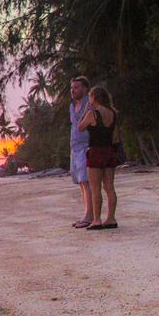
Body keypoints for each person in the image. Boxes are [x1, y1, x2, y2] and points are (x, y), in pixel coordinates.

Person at [77, 86, 119, 230]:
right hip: (109, 150)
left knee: (95, 188)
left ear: (94, 97)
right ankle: (111, 218)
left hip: (96, 151)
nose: (89, 99)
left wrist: (85, 111)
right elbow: (115, 136)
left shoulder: (92, 113)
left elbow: (80, 127)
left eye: (90, 96)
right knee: (110, 187)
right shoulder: (113, 113)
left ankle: (96, 220)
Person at [69, 76, 93, 228]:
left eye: (76, 87)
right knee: (80, 182)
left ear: (84, 88)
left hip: (86, 145)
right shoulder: (72, 106)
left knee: (86, 181)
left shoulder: (89, 104)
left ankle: (89, 216)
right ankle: (86, 214)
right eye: (72, 88)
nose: (73, 90)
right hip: (74, 147)